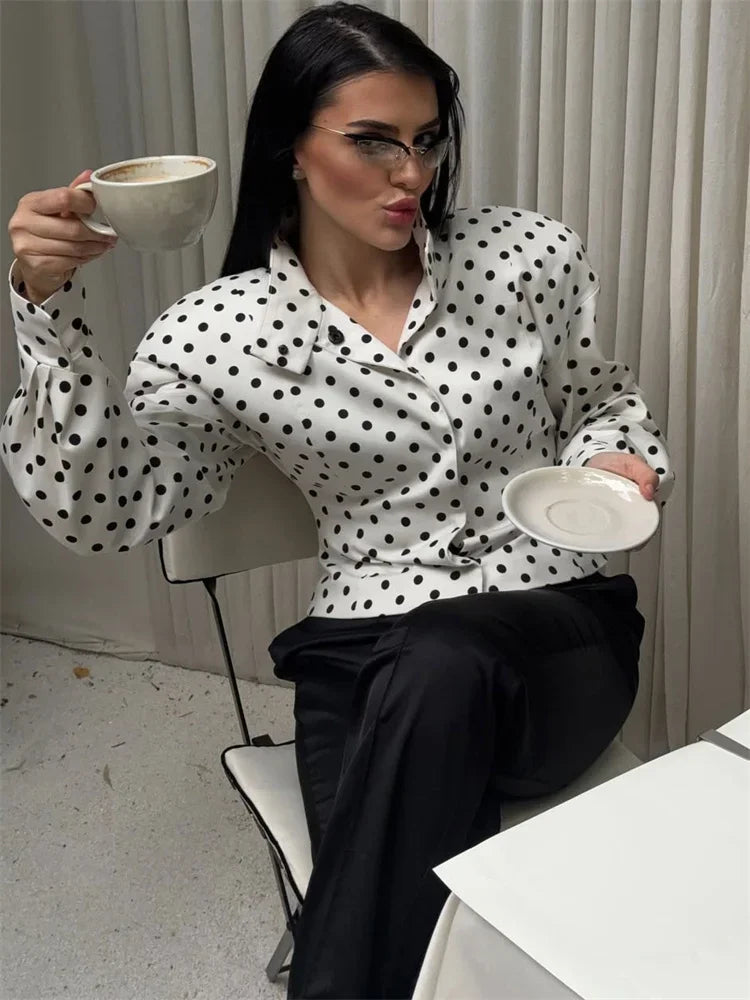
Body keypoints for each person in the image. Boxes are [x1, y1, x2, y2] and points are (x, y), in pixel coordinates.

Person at [3, 2, 674, 997]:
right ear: (289, 150)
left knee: (442, 662)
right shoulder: (216, 335)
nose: (414, 174)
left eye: (428, 140)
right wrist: (44, 312)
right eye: (373, 142)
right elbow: (106, 512)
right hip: (363, 661)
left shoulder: (526, 256)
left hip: (555, 635)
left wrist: (618, 456)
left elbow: (597, 397)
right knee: (418, 749)